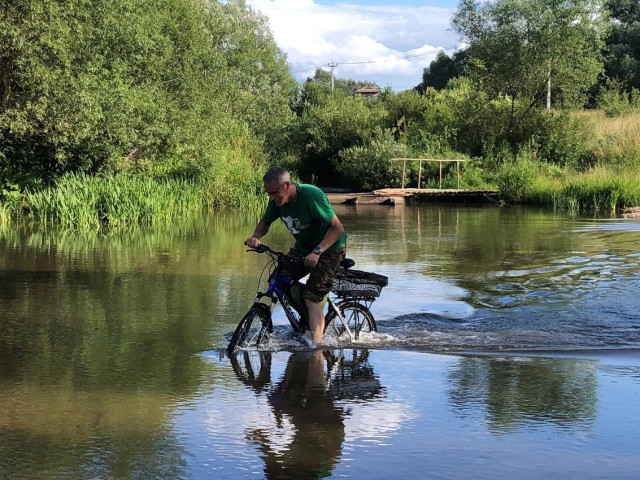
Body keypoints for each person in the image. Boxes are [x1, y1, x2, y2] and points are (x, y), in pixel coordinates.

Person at [245, 166, 347, 346]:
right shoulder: (277, 201)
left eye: (274, 193)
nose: (271, 198)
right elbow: (265, 222)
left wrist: (317, 252)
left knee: (311, 295)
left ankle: (316, 346)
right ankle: (307, 320)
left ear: (287, 185)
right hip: (303, 248)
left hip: (330, 248)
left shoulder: (311, 196)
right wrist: (256, 237)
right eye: (268, 194)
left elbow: (337, 228)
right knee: (279, 279)